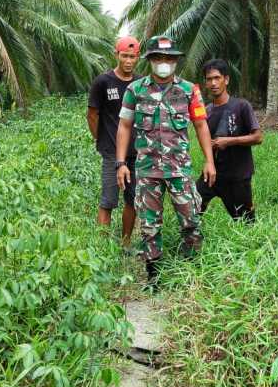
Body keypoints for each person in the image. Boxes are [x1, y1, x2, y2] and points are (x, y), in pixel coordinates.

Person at [115, 36, 216, 289]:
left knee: (191, 219)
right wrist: (120, 163)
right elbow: (124, 126)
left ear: (175, 62)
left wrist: (209, 161)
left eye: (169, 59)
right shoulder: (135, 90)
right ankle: (154, 277)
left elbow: (201, 125)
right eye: (159, 58)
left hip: (179, 169)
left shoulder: (189, 90)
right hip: (147, 170)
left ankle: (190, 271)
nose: (164, 63)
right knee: (149, 226)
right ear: (150, 61)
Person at [87, 36, 141, 247]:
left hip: (136, 152)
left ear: (137, 58)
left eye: (133, 57)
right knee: (108, 200)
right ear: (116, 54)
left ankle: (125, 242)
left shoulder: (141, 83)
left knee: (132, 199)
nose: (128, 61)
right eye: (124, 56)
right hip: (111, 151)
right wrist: (100, 139)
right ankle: (103, 248)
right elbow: (92, 114)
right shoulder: (103, 82)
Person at [197, 59, 262, 222]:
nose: (213, 83)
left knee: (245, 222)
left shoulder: (241, 106)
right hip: (213, 174)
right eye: (209, 79)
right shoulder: (207, 111)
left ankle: (252, 246)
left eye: (217, 78)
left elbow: (258, 137)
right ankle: (192, 241)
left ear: (226, 79)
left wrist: (229, 141)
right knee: (192, 208)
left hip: (238, 176)